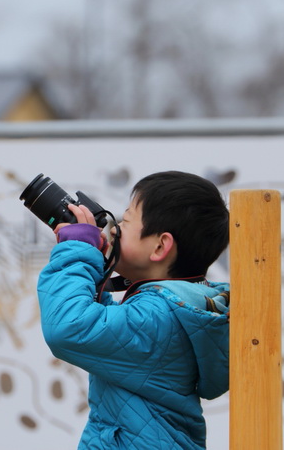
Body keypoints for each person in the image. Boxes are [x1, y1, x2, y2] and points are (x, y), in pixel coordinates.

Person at [38, 171, 230, 450]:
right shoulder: (175, 309)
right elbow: (106, 333)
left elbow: (68, 328)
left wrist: (76, 250)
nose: (114, 229)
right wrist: (96, 265)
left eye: (125, 222)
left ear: (160, 246)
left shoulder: (157, 316)